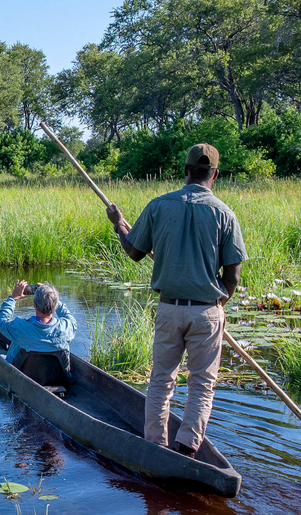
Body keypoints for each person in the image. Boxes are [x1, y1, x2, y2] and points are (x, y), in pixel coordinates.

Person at [105, 143, 246, 456]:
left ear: (185, 171)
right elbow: (233, 275)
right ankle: (186, 447)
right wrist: (218, 307)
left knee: (161, 380)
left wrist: (118, 224)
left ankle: (155, 445)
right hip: (207, 311)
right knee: (201, 384)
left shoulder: (159, 205)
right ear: (215, 174)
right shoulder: (225, 214)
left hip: (170, 309)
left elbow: (134, 251)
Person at [0, 280, 77, 389]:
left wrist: (13, 298)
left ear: (34, 305)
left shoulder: (21, 327)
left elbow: (1, 323)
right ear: (55, 305)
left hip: (22, 378)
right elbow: (69, 317)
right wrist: (52, 297)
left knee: (2, 356)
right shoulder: (66, 327)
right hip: (59, 380)